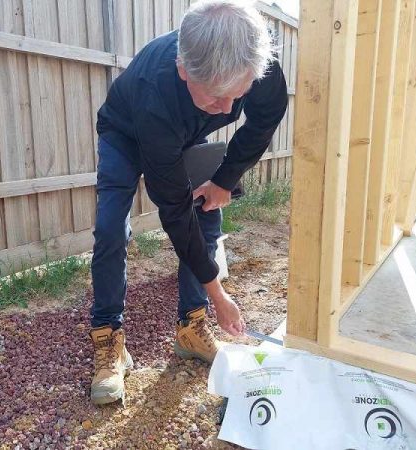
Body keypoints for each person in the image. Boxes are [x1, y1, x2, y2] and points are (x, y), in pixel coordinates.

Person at [89, 0, 288, 405]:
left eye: (237, 95)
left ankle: (191, 328)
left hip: (184, 131)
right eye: (216, 98)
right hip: (126, 133)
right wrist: (220, 294)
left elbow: (266, 117)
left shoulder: (255, 58)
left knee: (208, 212)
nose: (228, 110)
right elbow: (175, 212)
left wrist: (224, 180)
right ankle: (109, 337)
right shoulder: (156, 95)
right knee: (111, 228)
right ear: (184, 70)